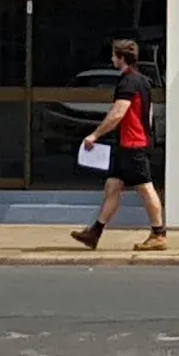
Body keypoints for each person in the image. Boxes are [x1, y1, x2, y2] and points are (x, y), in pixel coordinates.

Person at [70, 39, 167, 252]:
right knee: (112, 186)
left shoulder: (128, 82)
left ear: (122, 58)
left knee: (145, 187)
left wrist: (95, 135)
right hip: (128, 143)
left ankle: (159, 234)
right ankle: (94, 233)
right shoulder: (142, 81)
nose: (112, 58)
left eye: (114, 55)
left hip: (133, 144)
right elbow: (147, 113)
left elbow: (118, 113)